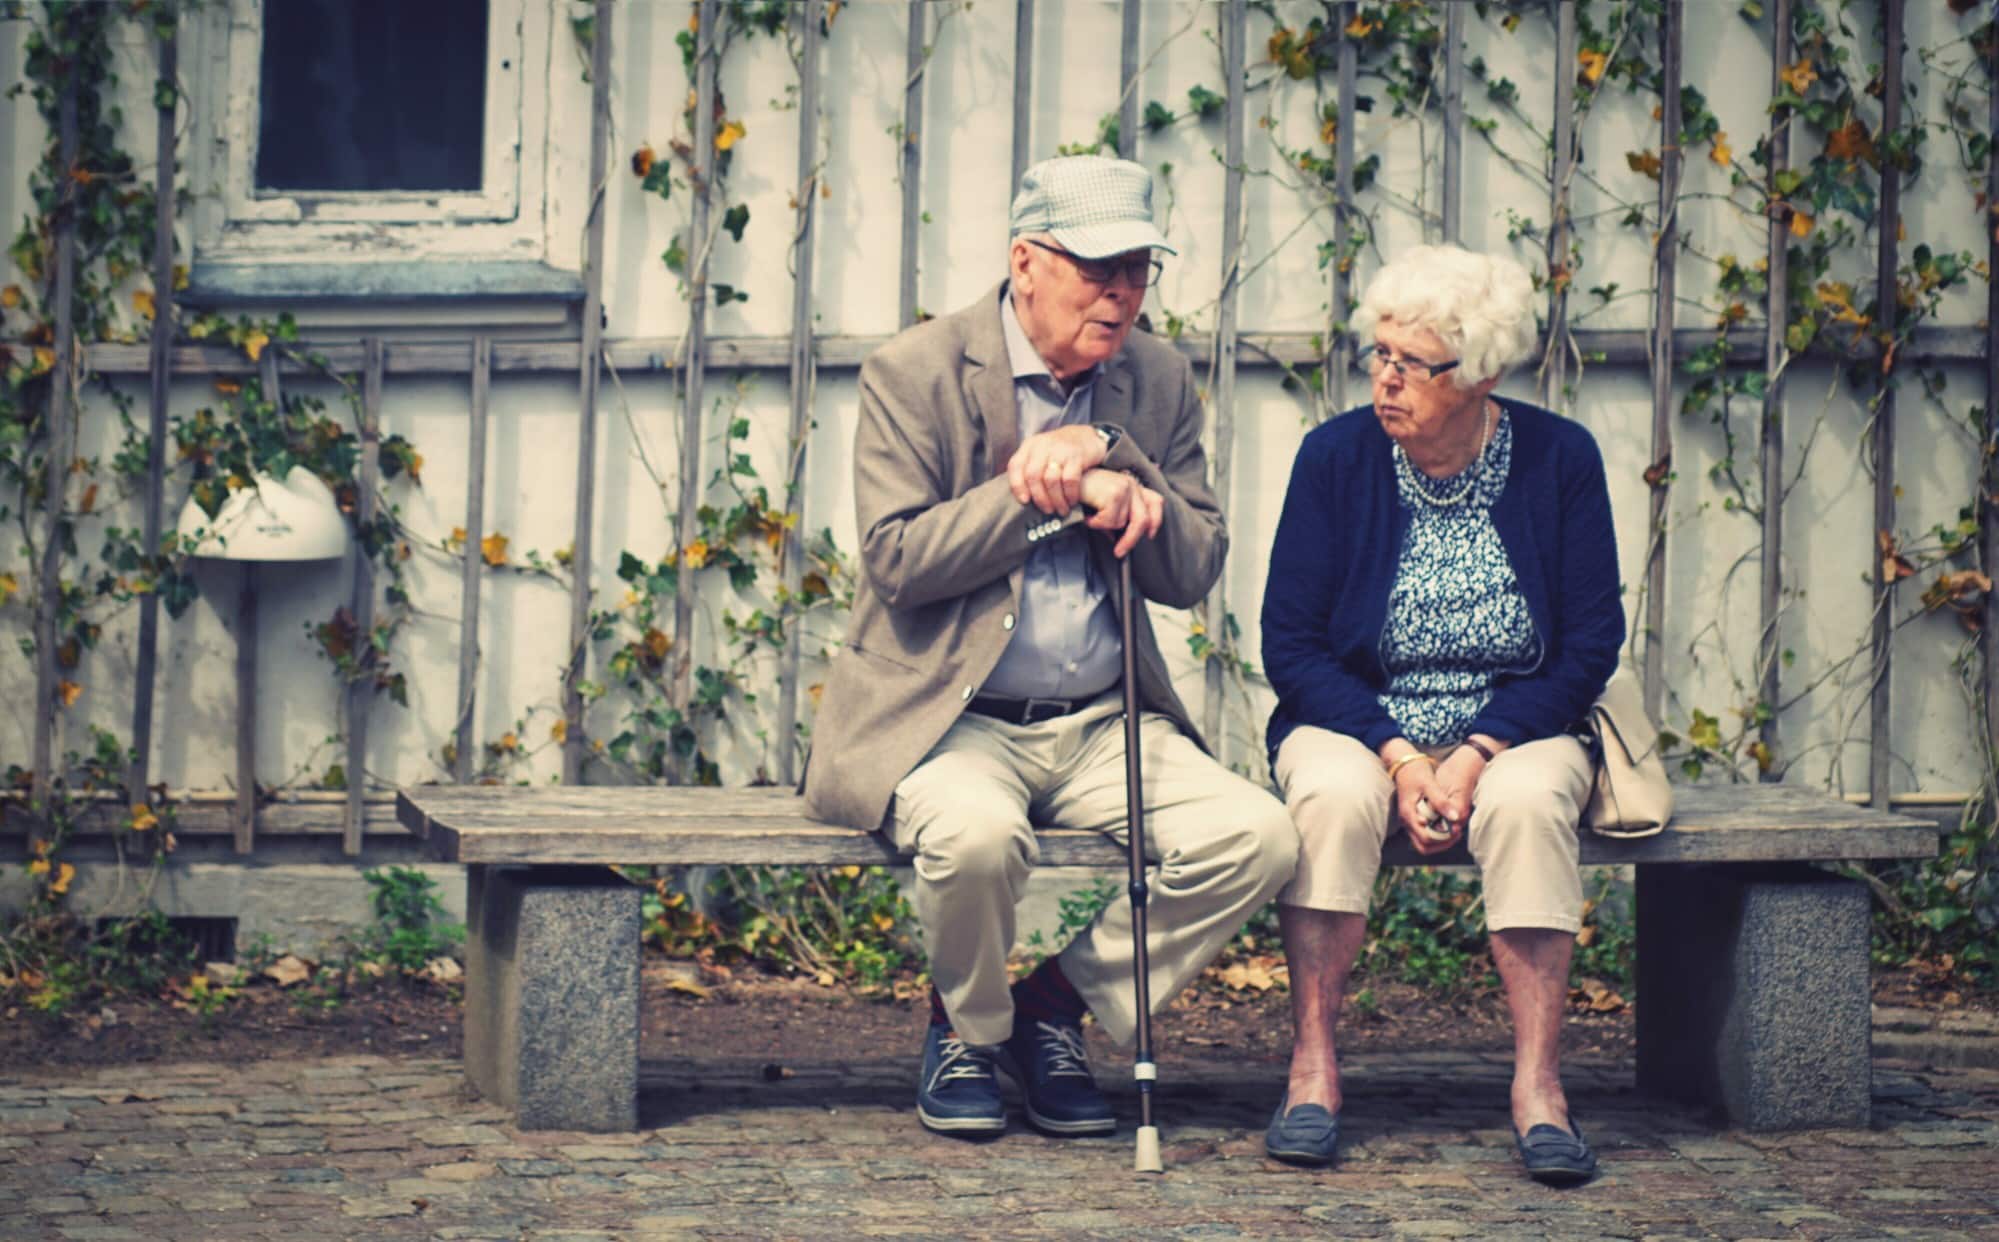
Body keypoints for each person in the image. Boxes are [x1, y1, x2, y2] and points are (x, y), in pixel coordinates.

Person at [804, 154, 1298, 1140]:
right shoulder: (916, 371)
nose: (1122, 292)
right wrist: (1050, 497)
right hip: (948, 720)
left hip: (1102, 720)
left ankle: (1049, 1012)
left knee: (1261, 837)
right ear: (1026, 261)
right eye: (1097, 267)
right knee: (977, 839)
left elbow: (1193, 568)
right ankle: (967, 1035)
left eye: (1139, 269)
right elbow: (897, 561)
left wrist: (1119, 465)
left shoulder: (1153, 376)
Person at [1258, 244, 1622, 1185]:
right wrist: (1396, 755)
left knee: (1529, 805)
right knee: (1332, 803)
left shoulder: (1559, 458)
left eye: (1414, 365)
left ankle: (1539, 1090)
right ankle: (1310, 1073)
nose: (1387, 379)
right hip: (1355, 722)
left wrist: (1474, 751)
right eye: (1379, 355)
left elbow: (1588, 643)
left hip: (1517, 727)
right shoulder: (1334, 458)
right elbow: (1290, 645)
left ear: (1482, 373)